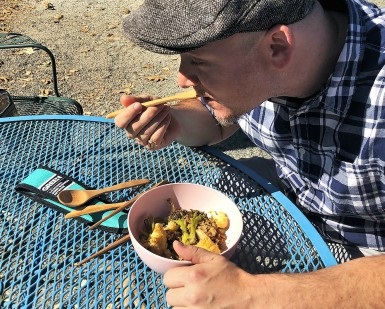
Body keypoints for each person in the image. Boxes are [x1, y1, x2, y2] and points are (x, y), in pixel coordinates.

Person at [115, 0, 385, 307]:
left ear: (278, 47)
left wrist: (259, 294)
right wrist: (175, 122)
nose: (181, 78)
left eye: (199, 61)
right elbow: (217, 122)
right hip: (292, 194)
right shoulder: (264, 60)